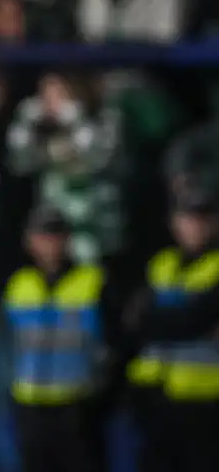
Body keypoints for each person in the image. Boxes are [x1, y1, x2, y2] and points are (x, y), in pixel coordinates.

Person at [4, 205, 108, 472]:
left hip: (77, 405)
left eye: (55, 234)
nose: (49, 243)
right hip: (30, 404)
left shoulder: (93, 280)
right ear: (29, 240)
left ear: (68, 238)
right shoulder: (18, 284)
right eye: (42, 235)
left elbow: (114, 340)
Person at [125, 186, 219, 472]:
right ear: (174, 223)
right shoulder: (161, 264)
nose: (195, 226)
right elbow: (134, 322)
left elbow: (195, 320)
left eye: (203, 218)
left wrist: (162, 319)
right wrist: (180, 319)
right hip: (156, 396)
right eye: (188, 217)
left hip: (205, 399)